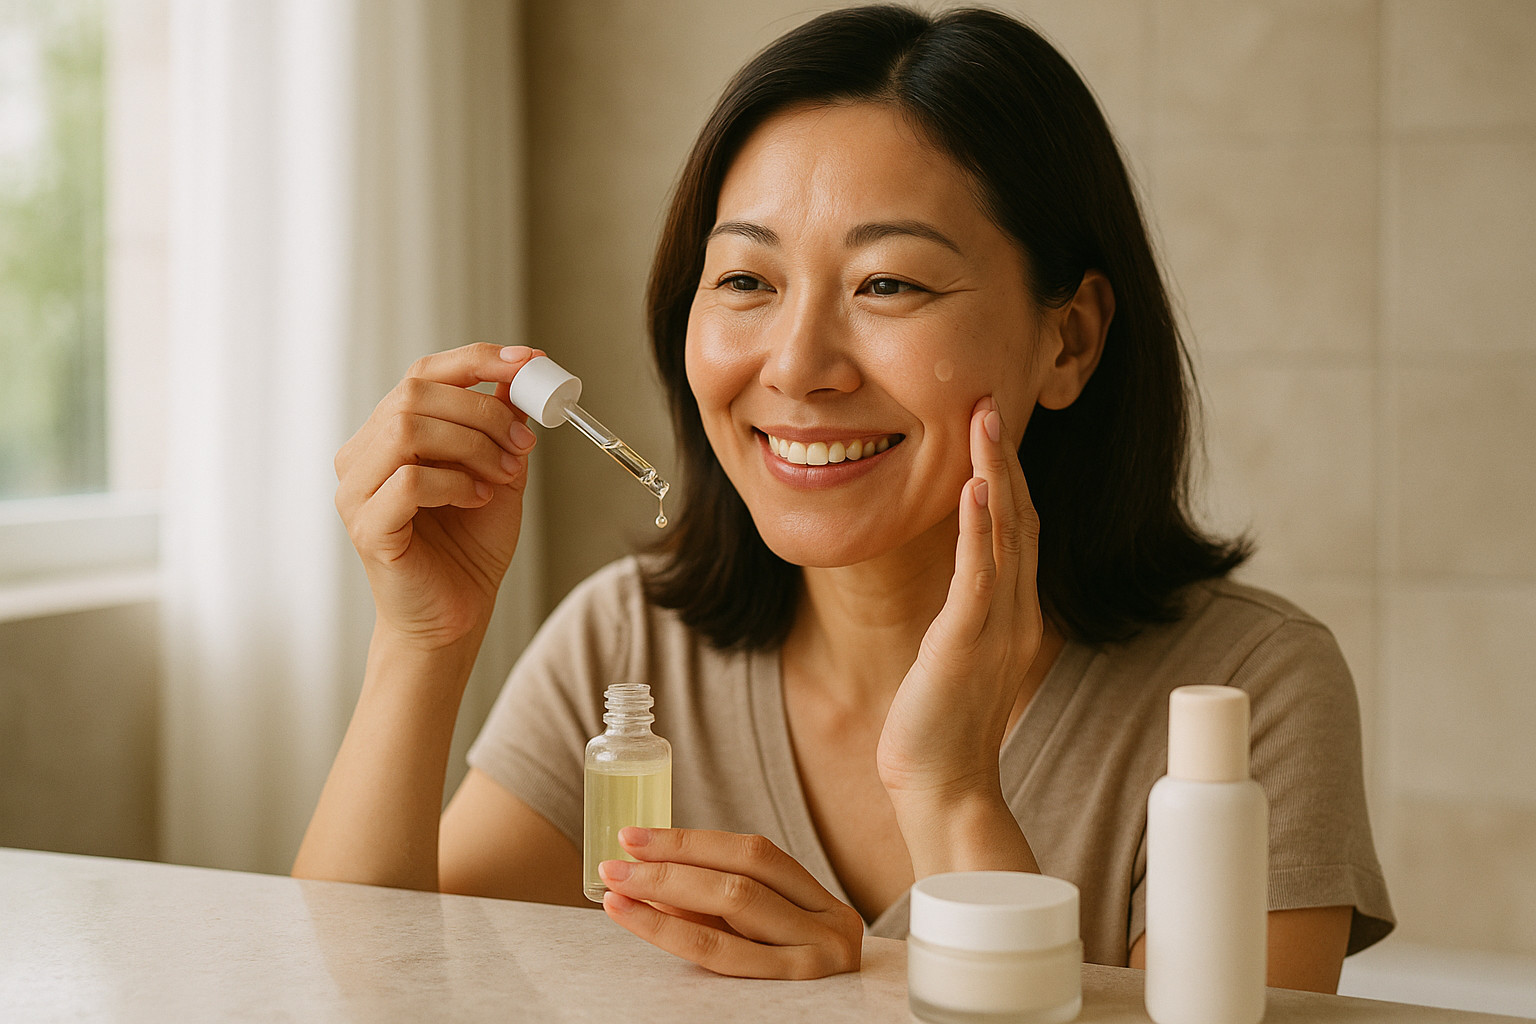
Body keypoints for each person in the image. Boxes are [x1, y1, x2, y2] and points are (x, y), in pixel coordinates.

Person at [293, 5, 1393, 989]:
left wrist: (949, 791)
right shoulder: (629, 645)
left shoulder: (1244, 698)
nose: (799, 364)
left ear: (1072, 338)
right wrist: (422, 641)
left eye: (888, 284)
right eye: (746, 282)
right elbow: (356, 979)